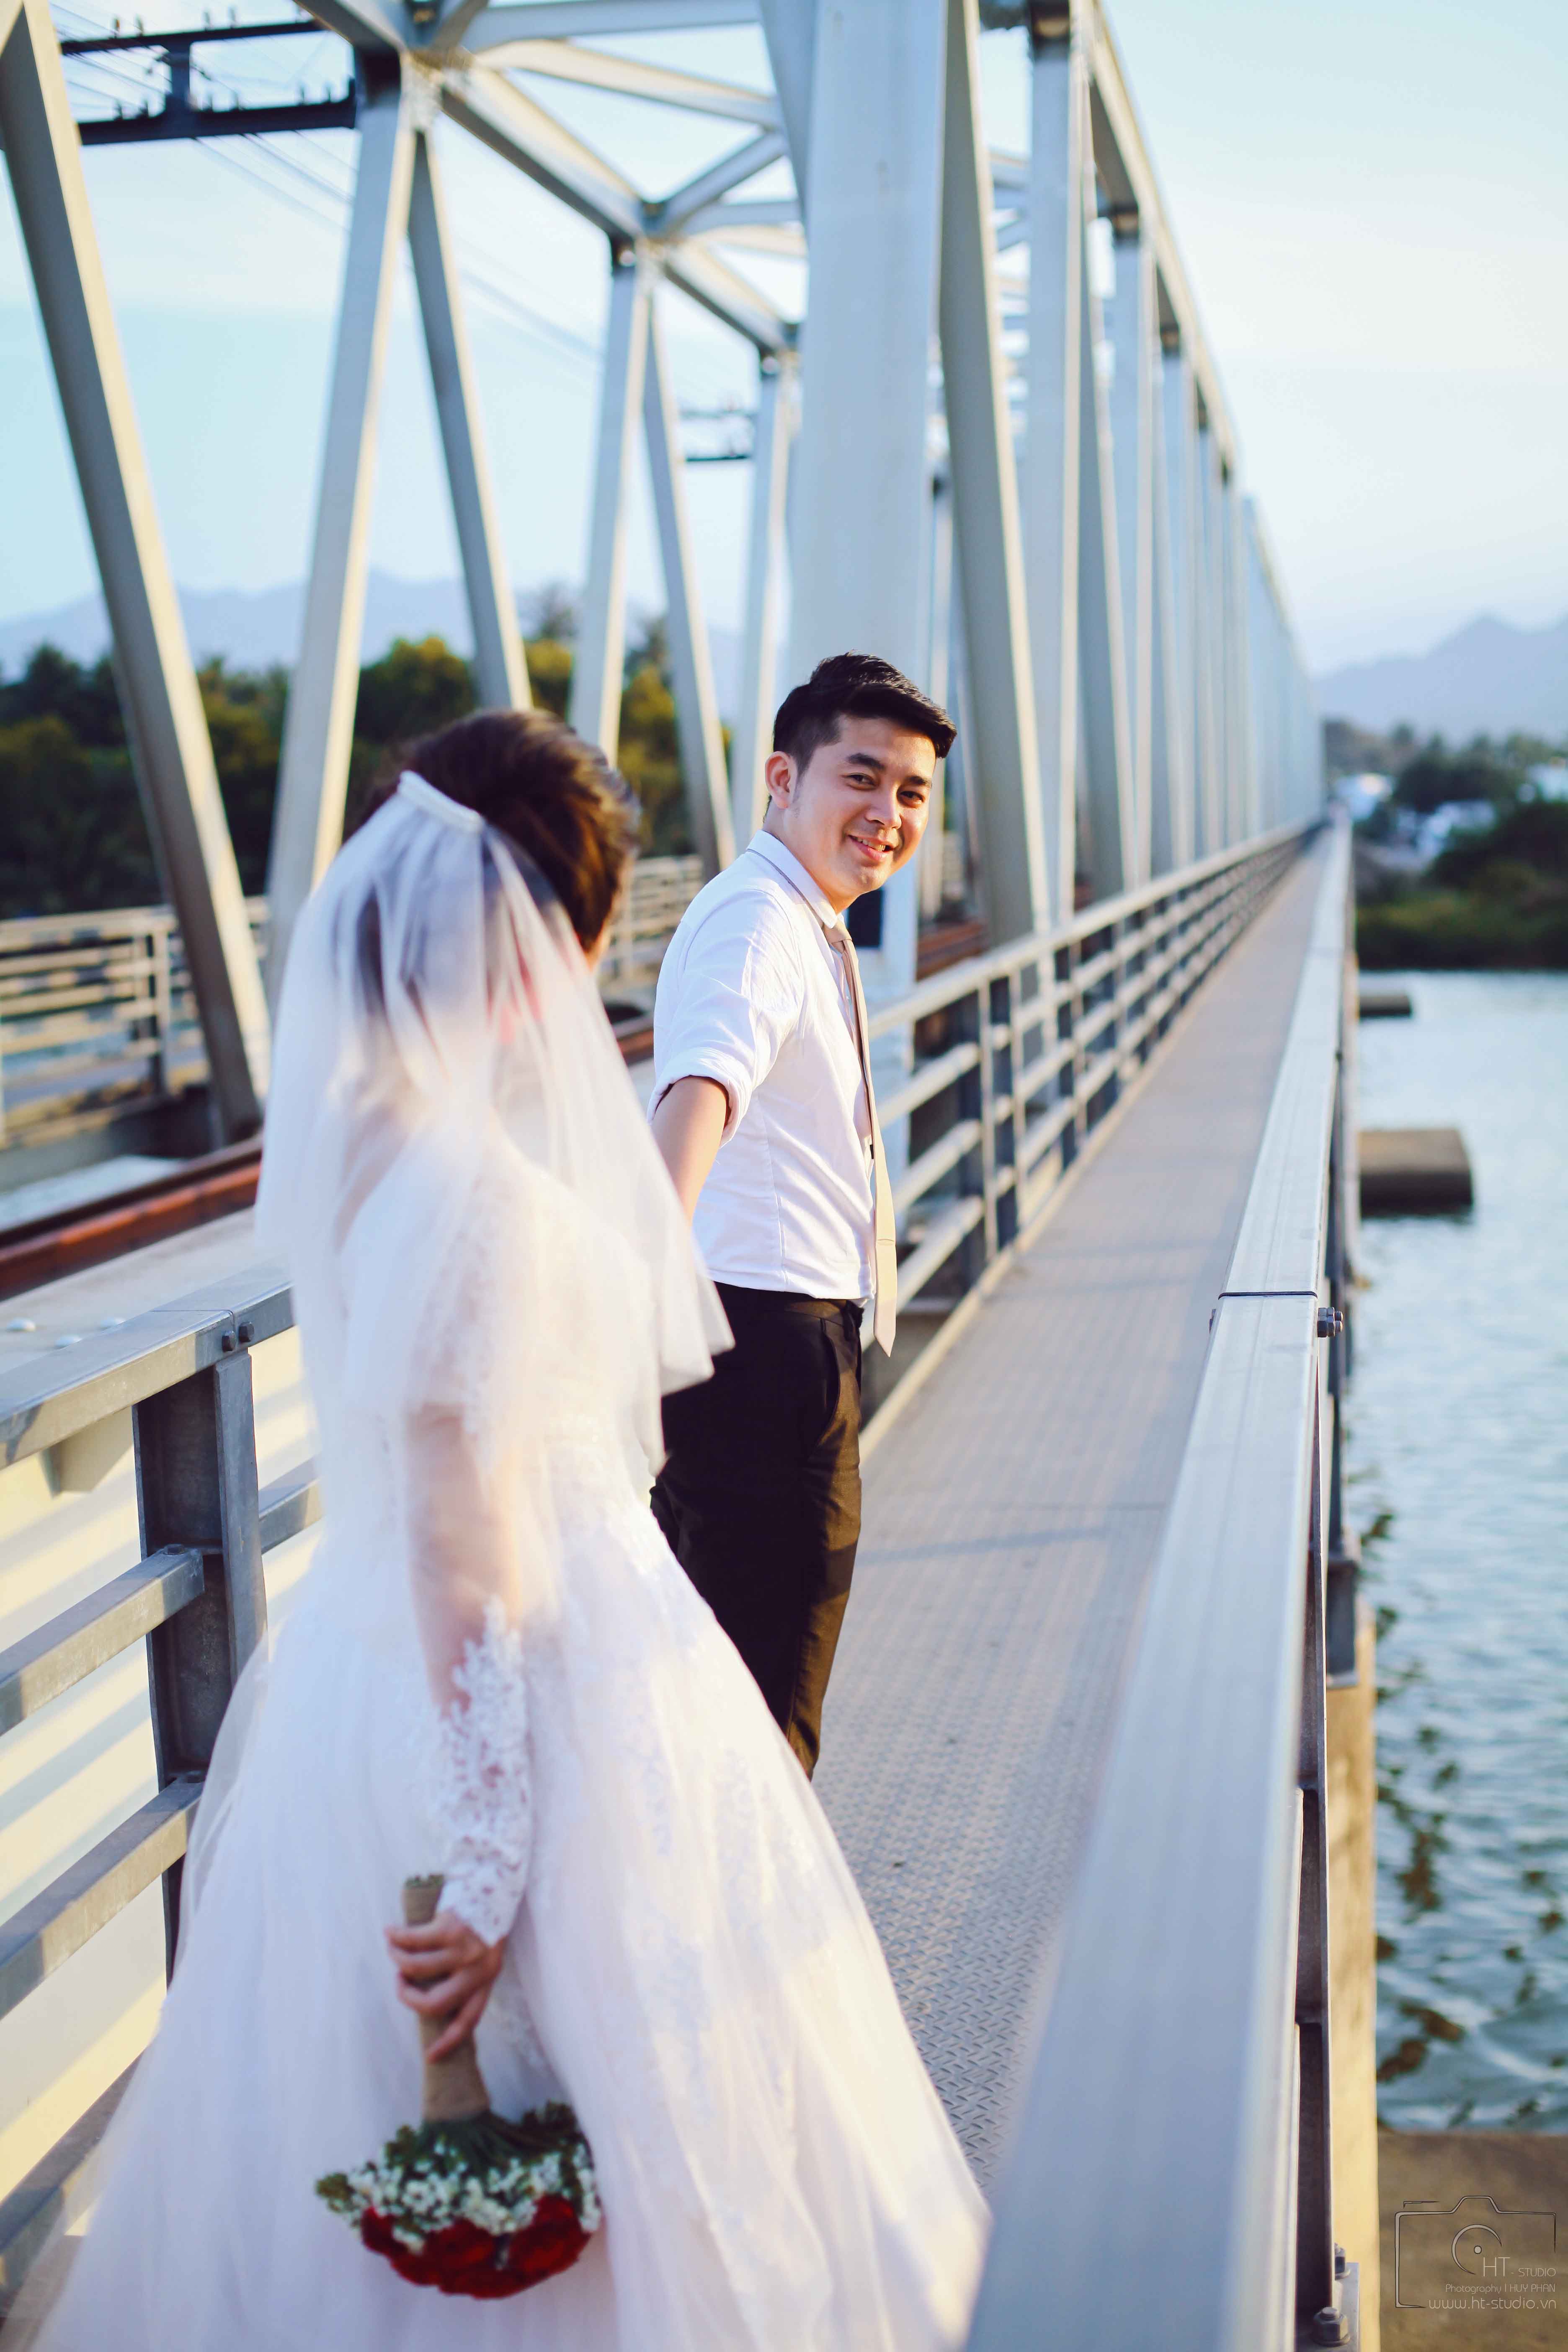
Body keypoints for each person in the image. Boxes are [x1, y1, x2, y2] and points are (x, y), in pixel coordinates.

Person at [17, 709, 984, 2352]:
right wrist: (487, 1865)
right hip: (537, 1682)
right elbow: (470, 1558)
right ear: (551, 939)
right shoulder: (468, 1193)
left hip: (365, 1676)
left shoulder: (372, 1140)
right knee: (636, 2109)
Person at [650, 653, 954, 1775]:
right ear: (782, 779)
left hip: (765, 1342)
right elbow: (703, 1089)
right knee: (768, 1702)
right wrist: (636, 1298)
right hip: (764, 1357)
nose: (888, 815)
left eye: (912, 793)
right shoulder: (760, 924)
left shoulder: (794, 913)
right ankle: (749, 1888)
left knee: (726, 1685)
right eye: (860, 779)